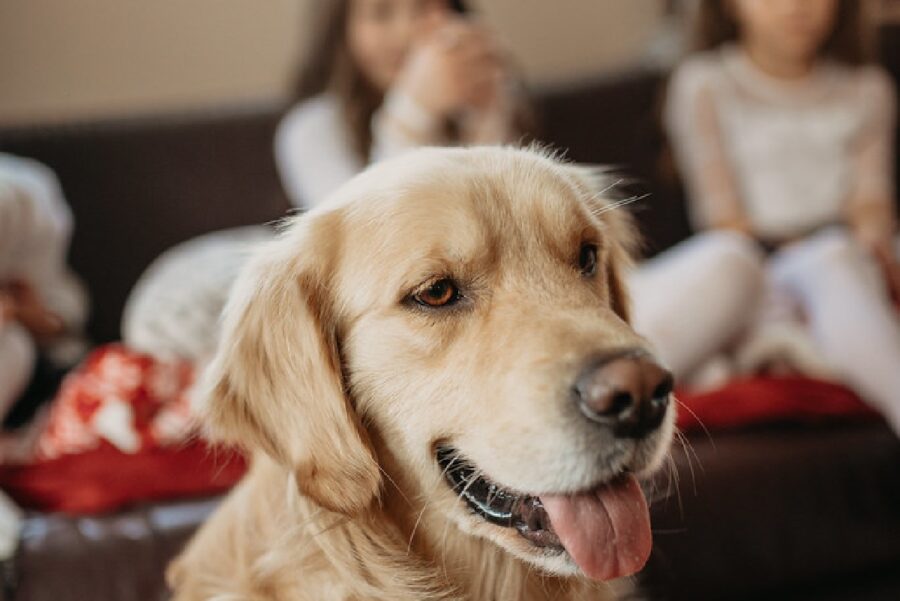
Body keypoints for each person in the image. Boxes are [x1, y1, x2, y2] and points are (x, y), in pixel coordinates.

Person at [665, 0, 900, 431]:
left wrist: (870, 240)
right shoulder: (705, 84)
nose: (797, 6)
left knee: (839, 259)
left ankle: (800, 347)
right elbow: (721, 217)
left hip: (850, 255)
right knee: (821, 260)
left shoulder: (869, 88)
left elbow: (872, 200)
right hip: (762, 263)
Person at [275, 0, 527, 208]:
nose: (405, 32)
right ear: (342, 28)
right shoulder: (310, 129)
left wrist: (488, 116)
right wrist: (413, 112)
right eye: (381, 13)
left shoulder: (470, 113)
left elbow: (507, 212)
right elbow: (369, 236)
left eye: (422, 8)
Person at [0, 154, 87, 426]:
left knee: (15, 343)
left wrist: (25, 314)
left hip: (37, 368)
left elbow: (64, 322)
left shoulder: (26, 199)